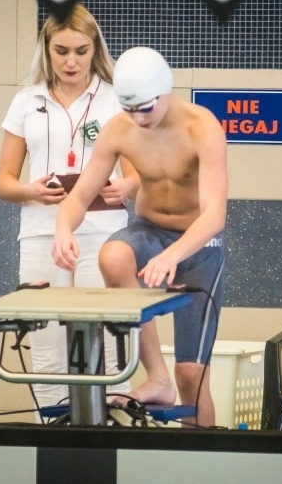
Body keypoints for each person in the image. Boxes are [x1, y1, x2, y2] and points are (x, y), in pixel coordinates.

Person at [52, 46, 228, 427]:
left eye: (145, 108)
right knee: (113, 256)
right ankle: (157, 376)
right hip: (149, 233)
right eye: (129, 108)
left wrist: (173, 255)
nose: (138, 118)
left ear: (166, 91)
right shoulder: (120, 130)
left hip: (200, 247)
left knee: (192, 378)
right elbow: (80, 196)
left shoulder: (202, 128)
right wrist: (63, 229)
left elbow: (214, 215)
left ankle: (204, 463)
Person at [0, 4, 137, 414]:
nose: (71, 61)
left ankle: (111, 433)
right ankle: (52, 434)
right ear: (46, 50)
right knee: (47, 347)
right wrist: (29, 190)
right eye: (61, 51)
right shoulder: (26, 101)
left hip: (104, 234)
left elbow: (136, 175)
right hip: (42, 233)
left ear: (95, 49)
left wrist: (126, 186)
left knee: (110, 342)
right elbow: (3, 182)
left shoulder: (116, 100)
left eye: (81, 50)